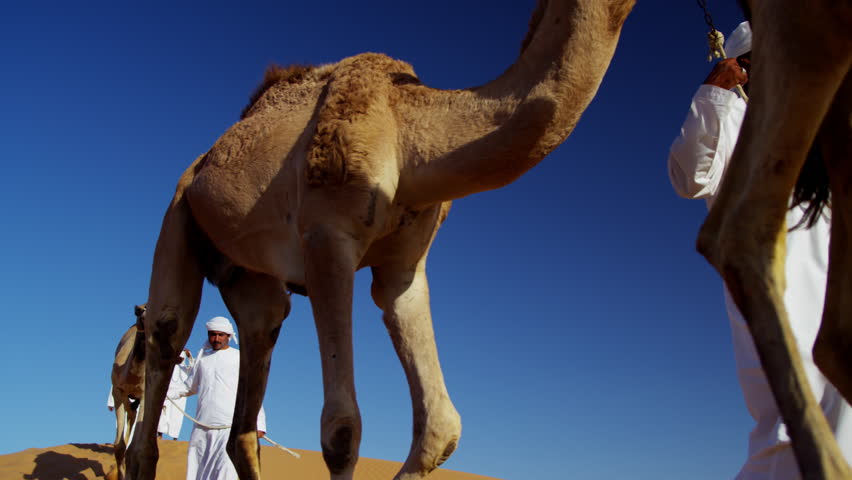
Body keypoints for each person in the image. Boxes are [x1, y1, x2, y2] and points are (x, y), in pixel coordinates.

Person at [668, 21, 852, 479]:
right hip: (781, 288)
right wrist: (714, 94)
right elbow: (690, 177)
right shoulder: (732, 120)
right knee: (801, 414)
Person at [169, 316, 266, 480]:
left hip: (229, 427)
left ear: (229, 336)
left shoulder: (239, 357)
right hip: (202, 427)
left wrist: (259, 422)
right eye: (213, 334)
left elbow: (252, 390)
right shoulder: (202, 359)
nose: (216, 339)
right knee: (197, 472)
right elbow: (188, 387)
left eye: (221, 335)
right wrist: (159, 392)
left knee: (226, 472)